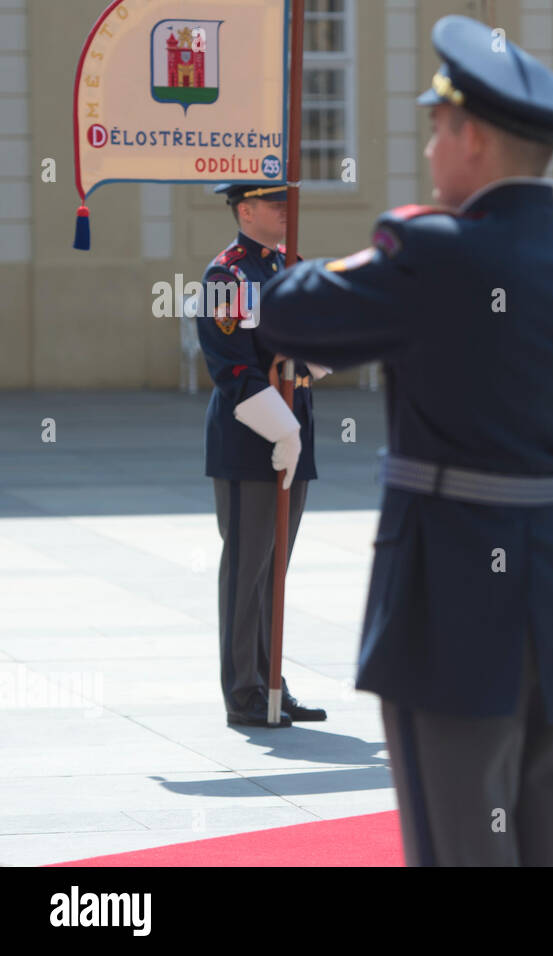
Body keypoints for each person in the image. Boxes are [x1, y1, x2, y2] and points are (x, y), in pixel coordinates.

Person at [257, 15, 553, 866]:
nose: (430, 150)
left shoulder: (432, 250)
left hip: (450, 606)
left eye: (435, 128)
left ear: (471, 139)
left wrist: (395, 237)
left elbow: (285, 314)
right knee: (547, 846)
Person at [197, 182, 327, 729]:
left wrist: (315, 360)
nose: (286, 212)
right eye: (277, 204)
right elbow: (231, 369)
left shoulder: (290, 266)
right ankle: (244, 690)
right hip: (251, 438)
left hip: (295, 432)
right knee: (247, 568)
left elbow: (320, 338)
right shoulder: (226, 276)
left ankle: (272, 682)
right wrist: (280, 428)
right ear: (245, 210)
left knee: (276, 570)